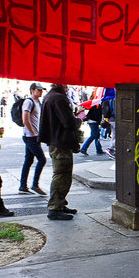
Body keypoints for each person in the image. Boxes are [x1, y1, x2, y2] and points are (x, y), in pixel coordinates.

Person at [39, 84, 83, 220]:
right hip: (61, 142)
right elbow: (68, 122)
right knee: (62, 175)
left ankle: (59, 203)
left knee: (61, 175)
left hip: (56, 141)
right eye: (66, 84)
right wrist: (79, 119)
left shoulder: (50, 97)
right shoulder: (58, 98)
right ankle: (55, 207)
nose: (68, 86)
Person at [19, 82, 47, 195]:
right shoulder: (29, 102)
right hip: (30, 137)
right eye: (38, 90)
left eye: (41, 90)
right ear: (32, 90)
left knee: (28, 160)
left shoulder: (37, 102)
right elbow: (25, 120)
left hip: (33, 136)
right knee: (42, 159)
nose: (40, 92)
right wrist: (34, 133)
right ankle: (35, 185)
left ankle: (23, 185)